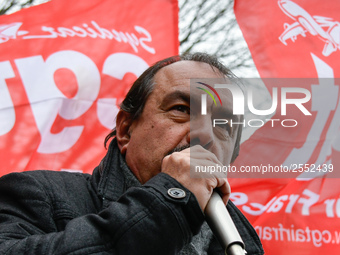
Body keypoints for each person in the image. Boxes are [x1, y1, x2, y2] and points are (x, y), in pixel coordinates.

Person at [0, 53, 263, 254]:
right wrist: (166, 204)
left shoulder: (242, 242)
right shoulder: (37, 194)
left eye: (224, 125)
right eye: (182, 109)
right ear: (125, 129)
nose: (204, 134)